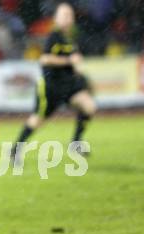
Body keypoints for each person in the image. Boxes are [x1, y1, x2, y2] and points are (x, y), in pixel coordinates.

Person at [12, 2, 96, 160]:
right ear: (56, 19)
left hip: (68, 85)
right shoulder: (54, 36)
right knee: (38, 120)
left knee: (89, 106)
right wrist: (69, 61)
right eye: (64, 15)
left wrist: (77, 68)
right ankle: (16, 148)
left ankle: (76, 144)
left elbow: (74, 61)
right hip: (51, 86)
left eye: (70, 15)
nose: (68, 18)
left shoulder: (70, 39)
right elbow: (44, 59)